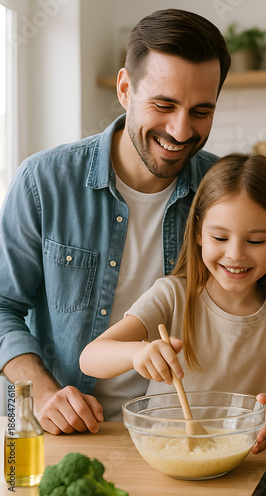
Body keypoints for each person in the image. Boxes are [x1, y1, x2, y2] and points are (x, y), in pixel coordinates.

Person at [0, 9, 231, 434]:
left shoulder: (222, 191)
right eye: (164, 105)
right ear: (125, 88)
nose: (181, 130)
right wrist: (46, 393)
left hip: (181, 434)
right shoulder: (43, 182)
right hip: (72, 435)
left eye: (201, 111)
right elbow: (2, 306)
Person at [80, 153, 266, 453]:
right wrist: (138, 353)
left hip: (241, 460)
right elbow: (90, 357)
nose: (235, 255)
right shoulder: (172, 296)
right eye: (220, 237)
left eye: (255, 241)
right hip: (164, 453)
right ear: (200, 232)